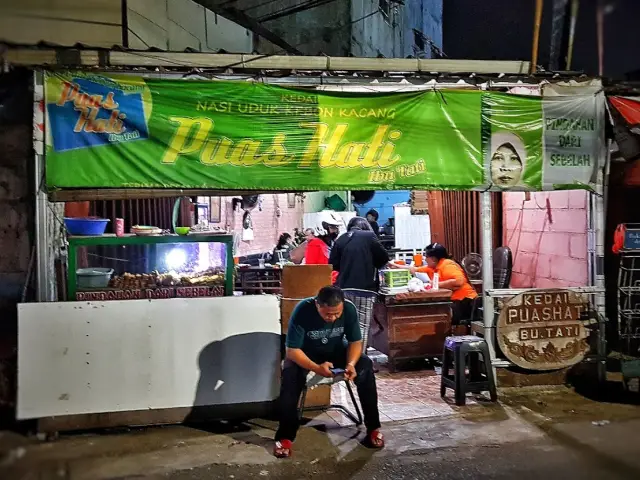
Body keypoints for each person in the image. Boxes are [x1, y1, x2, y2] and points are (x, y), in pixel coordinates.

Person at [274, 286, 384, 458]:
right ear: (317, 305)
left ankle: (374, 428)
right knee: (290, 375)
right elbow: (292, 350)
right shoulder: (303, 309)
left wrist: (351, 364)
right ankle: (285, 436)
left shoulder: (348, 308)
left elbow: (355, 341)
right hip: (306, 354)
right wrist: (316, 368)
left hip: (336, 351)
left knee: (365, 366)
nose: (332, 318)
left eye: (337, 314)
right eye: (327, 314)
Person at [392, 243, 478, 325]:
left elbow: (459, 281)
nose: (425, 259)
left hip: (465, 303)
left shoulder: (447, 264)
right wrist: (395, 266)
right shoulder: (433, 267)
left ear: (433, 259)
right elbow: (414, 270)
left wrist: (436, 284)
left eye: (426, 257)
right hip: (453, 302)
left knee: (432, 312)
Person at [329, 216, 389, 291]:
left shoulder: (340, 239)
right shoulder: (369, 236)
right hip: (365, 289)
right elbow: (384, 258)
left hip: (343, 288)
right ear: (366, 226)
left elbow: (333, 264)